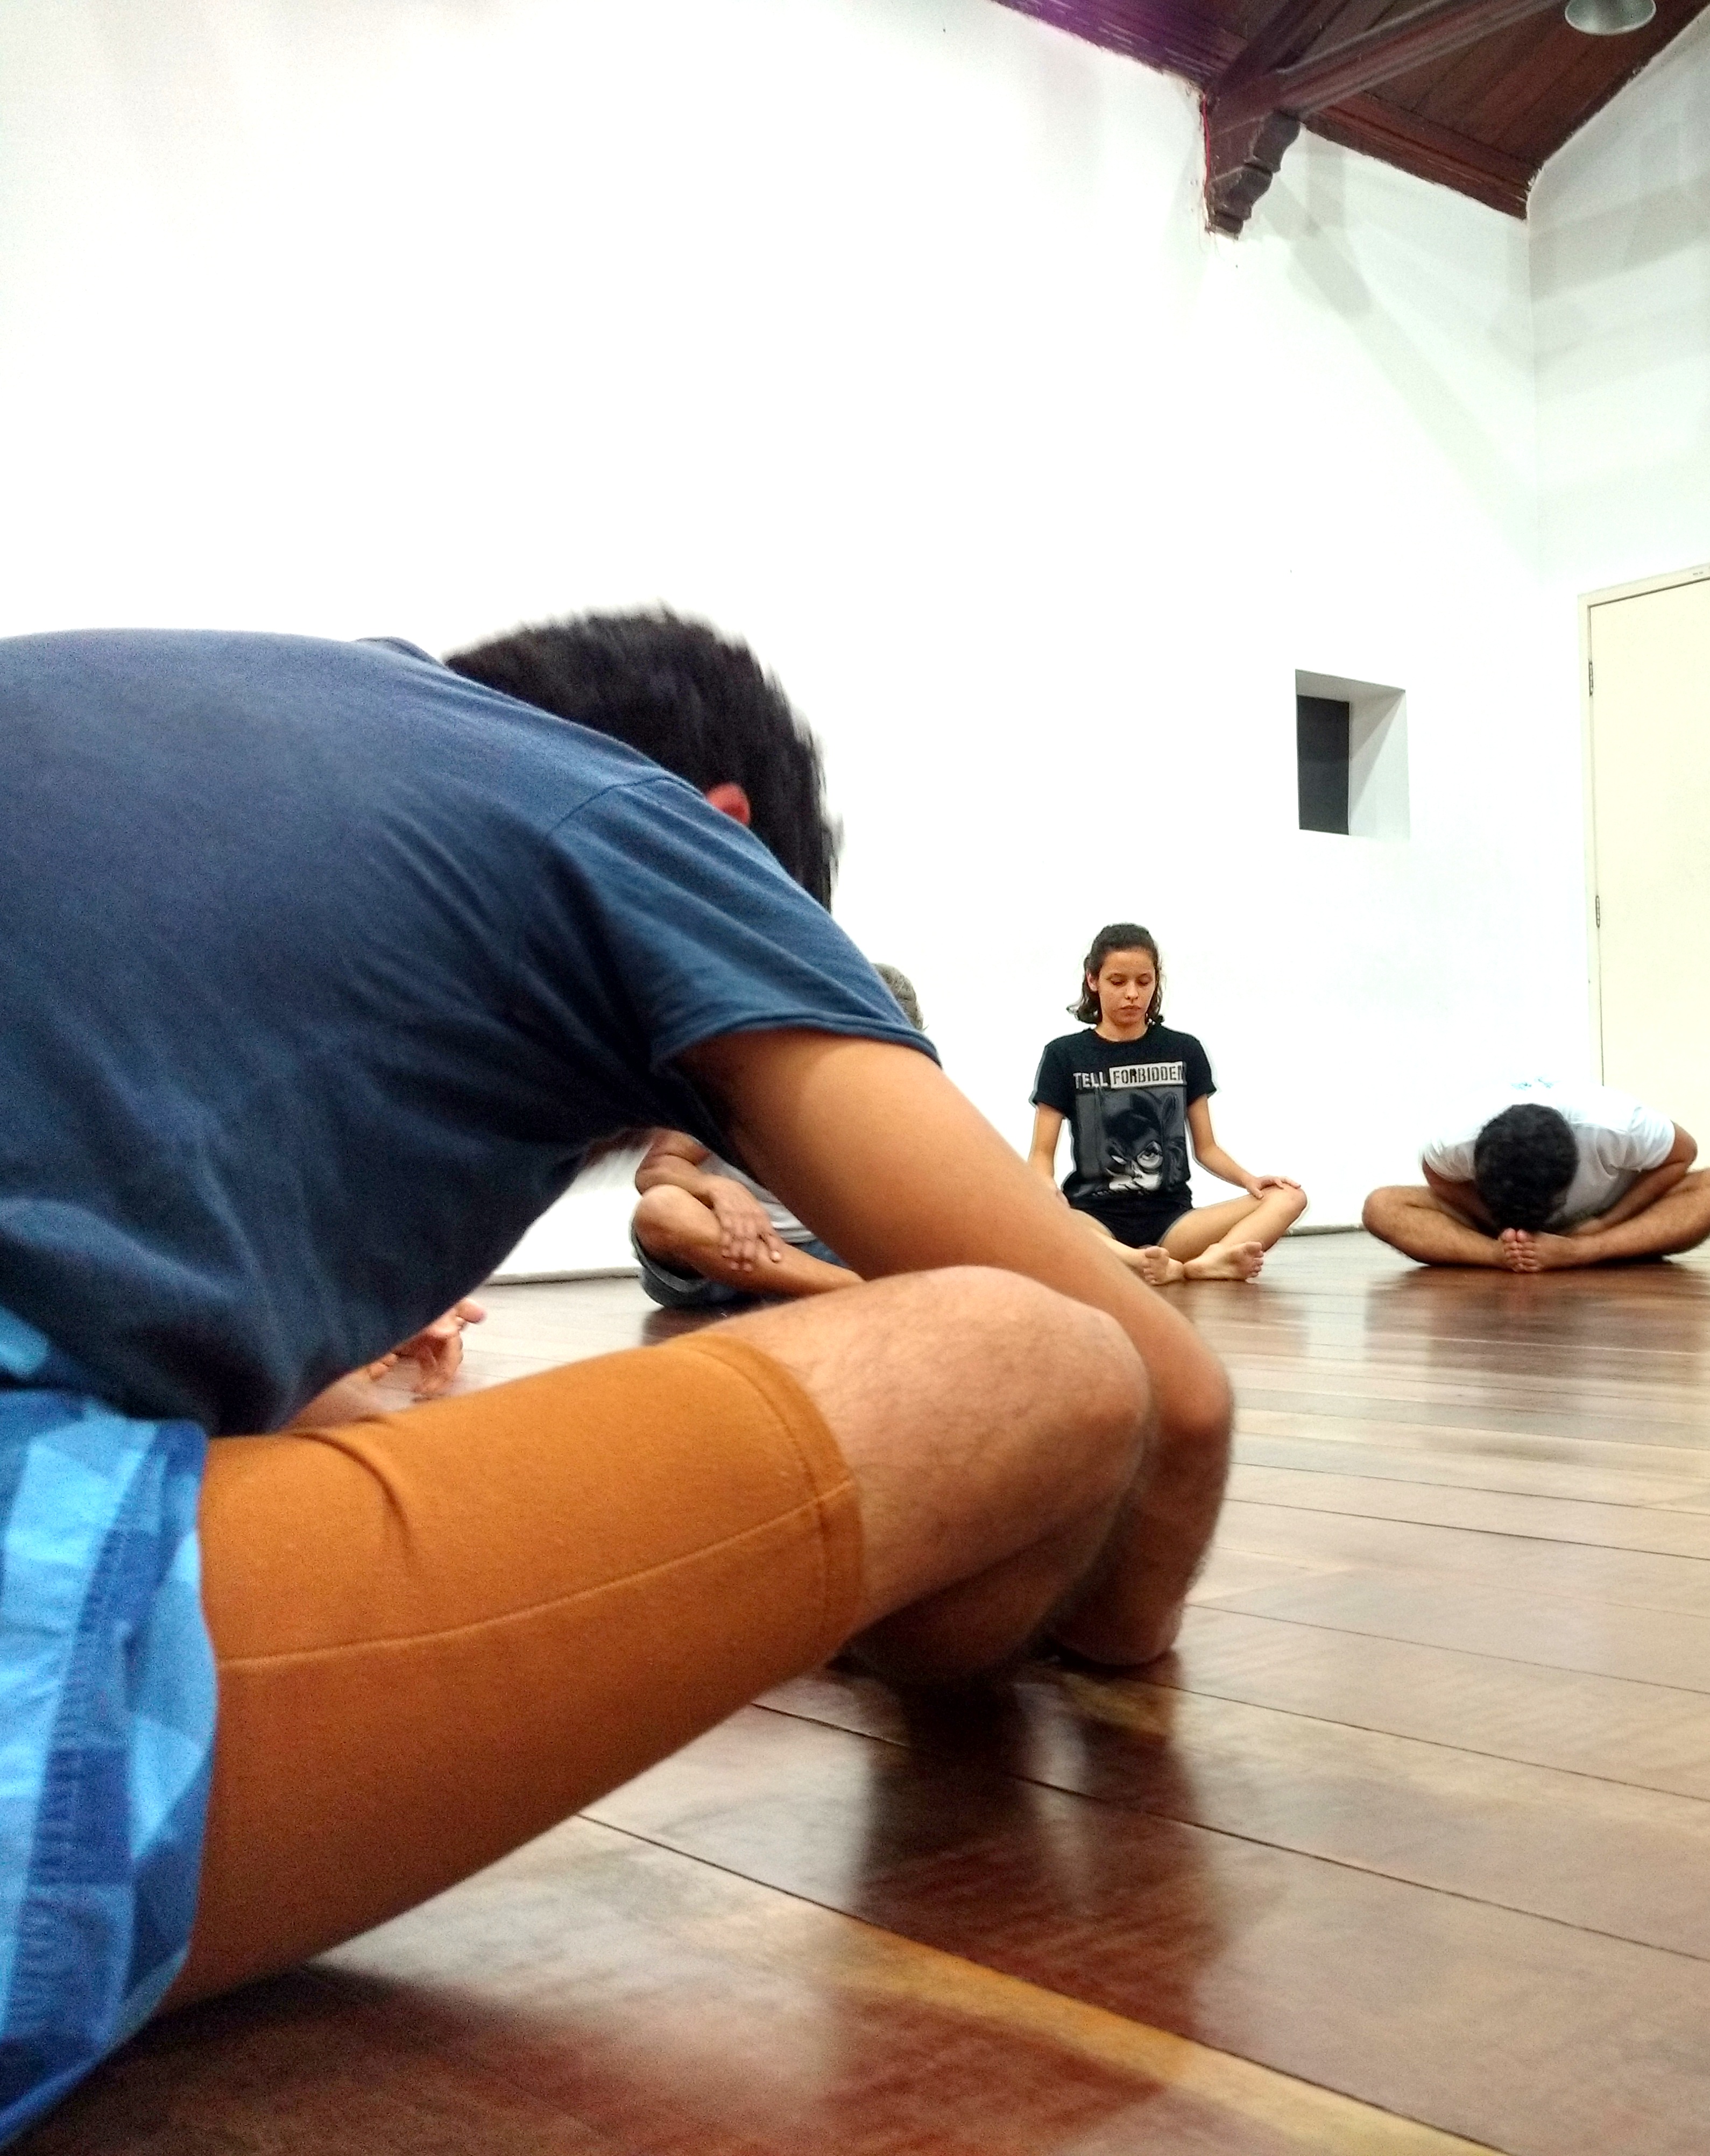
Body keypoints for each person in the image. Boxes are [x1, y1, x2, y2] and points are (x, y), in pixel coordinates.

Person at [0, 616, 1233, 2137]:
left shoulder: (238, 710)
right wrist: (1088, 1636)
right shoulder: (639, 824)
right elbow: (1173, 1401)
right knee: (1033, 1357)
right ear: (730, 831)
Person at [628, 967, 930, 1308]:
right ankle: (854, 1290)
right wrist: (717, 1189)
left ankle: (820, 1287)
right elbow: (653, 1171)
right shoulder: (741, 1077)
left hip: (822, 1255)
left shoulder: (900, 1106)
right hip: (716, 1255)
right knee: (661, 1209)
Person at [1029, 925, 1305, 1284]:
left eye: (1144, 982)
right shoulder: (1064, 1055)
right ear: (1093, 980)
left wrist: (1249, 1180)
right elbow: (1040, 1155)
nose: (1132, 994)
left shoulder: (1184, 1050)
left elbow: (1207, 1148)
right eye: (1117, 982)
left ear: (1156, 981)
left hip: (1173, 1221)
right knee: (1035, 1212)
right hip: (1093, 1218)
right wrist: (1043, 1187)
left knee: (1289, 1197)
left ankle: (1210, 1261)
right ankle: (1138, 1261)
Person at [1362, 1081, 1710, 1270]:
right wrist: (1498, 1229)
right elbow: (1436, 1175)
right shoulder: (1454, 1138)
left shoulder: (1615, 1123)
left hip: (1604, 1217)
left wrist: (1600, 1227)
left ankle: (1585, 1252)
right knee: (1382, 1206)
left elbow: (1683, 1154)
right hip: (1498, 1224)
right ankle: (1502, 1257)